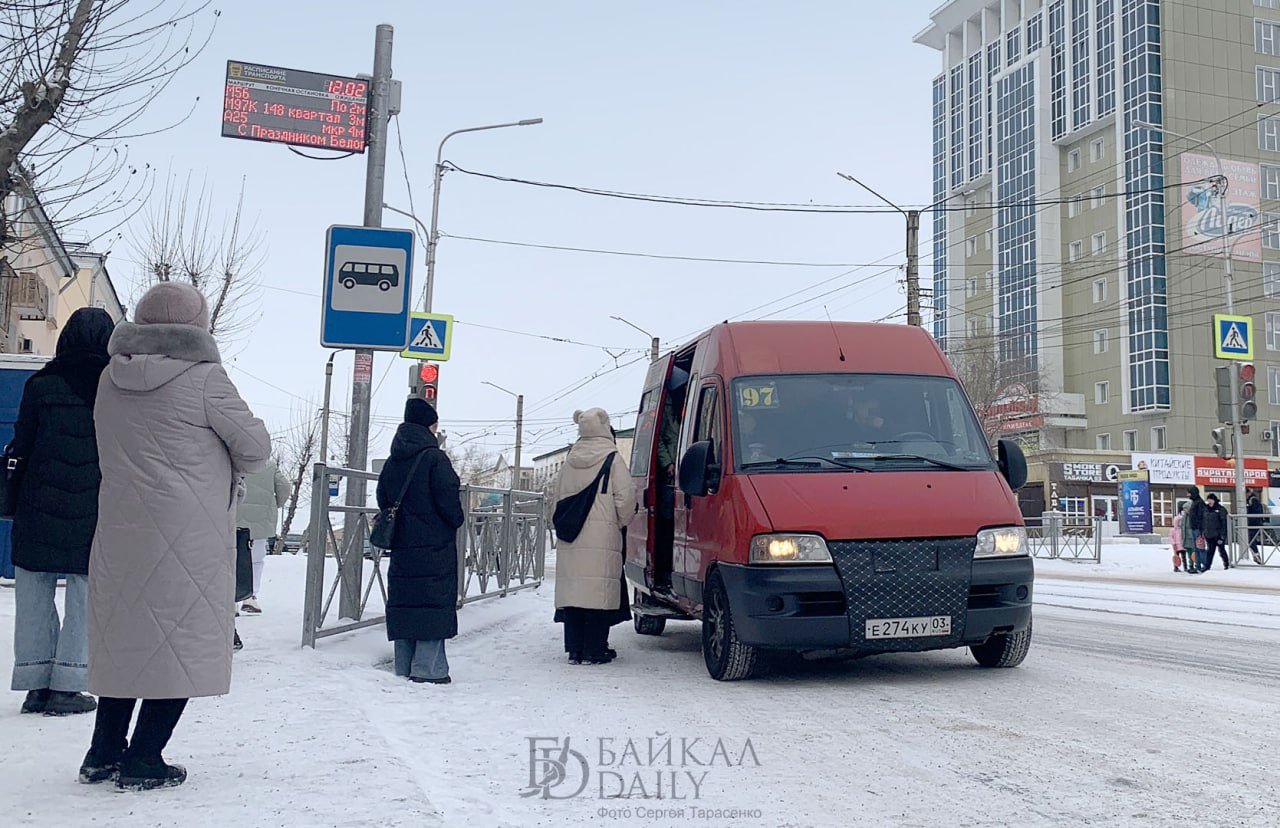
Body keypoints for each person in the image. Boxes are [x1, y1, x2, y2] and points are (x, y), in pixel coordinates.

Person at [81, 282, 270, 791]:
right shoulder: (208, 379)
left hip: (120, 528)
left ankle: (102, 753)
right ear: (198, 326)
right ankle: (145, 757)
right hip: (188, 534)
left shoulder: (108, 377)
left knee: (127, 641)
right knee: (179, 641)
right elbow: (254, 449)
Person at [7, 308, 115, 717]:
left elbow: (22, 442)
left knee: (34, 592)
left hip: (39, 503)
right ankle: (69, 684)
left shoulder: (42, 383)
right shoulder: (114, 385)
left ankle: (36, 685)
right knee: (88, 594)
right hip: (95, 505)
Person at [377, 399, 465, 685]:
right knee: (431, 601)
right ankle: (428, 669)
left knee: (406, 602)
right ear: (430, 425)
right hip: (433, 545)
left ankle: (404, 664)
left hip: (402, 544)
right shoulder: (434, 459)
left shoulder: (393, 459)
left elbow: (382, 499)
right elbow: (450, 505)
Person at [553, 408, 637, 665]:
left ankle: (575, 650)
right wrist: (620, 523)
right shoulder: (612, 459)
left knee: (575, 593)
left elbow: (557, 498)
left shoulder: (569, 459)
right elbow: (626, 500)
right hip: (602, 535)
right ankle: (595, 649)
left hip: (572, 535)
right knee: (598, 593)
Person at [234, 457, 293, 614]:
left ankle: (230, 598)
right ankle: (250, 597)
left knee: (231, 556)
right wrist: (273, 504)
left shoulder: (233, 460)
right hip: (260, 519)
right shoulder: (270, 465)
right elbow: (285, 487)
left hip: (233, 516)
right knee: (256, 559)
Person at [1200, 493, 1230, 572]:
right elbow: (1203, 520)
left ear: (1214, 500)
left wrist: (1223, 535)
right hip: (1209, 534)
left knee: (1221, 550)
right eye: (1208, 500)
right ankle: (1207, 566)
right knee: (1210, 551)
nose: (1209, 501)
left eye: (1210, 499)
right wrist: (1203, 531)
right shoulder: (1205, 509)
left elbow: (1224, 522)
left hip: (1218, 534)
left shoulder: (1220, 509)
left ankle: (1227, 564)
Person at [1170, 502, 1192, 574]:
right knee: (1176, 557)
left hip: (1183, 545)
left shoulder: (1183, 529)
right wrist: (1173, 543)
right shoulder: (1173, 530)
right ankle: (1176, 567)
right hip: (1176, 546)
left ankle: (1185, 567)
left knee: (1184, 557)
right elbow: (1171, 537)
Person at [1246, 492, 1267, 565]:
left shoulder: (1252, 500)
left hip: (1253, 524)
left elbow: (1255, 511)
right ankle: (1256, 556)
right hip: (1254, 523)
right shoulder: (1252, 500)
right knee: (1251, 540)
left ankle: (1257, 556)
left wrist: (1248, 510)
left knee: (1251, 541)